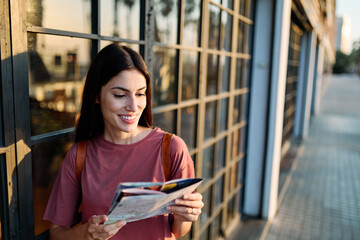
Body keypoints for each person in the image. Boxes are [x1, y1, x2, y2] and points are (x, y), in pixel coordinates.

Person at [43, 44, 204, 240]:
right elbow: (57, 233)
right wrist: (87, 233)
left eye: (140, 93)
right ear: (96, 95)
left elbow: (178, 231)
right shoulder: (79, 156)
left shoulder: (171, 148)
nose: (133, 107)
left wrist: (185, 215)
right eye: (120, 95)